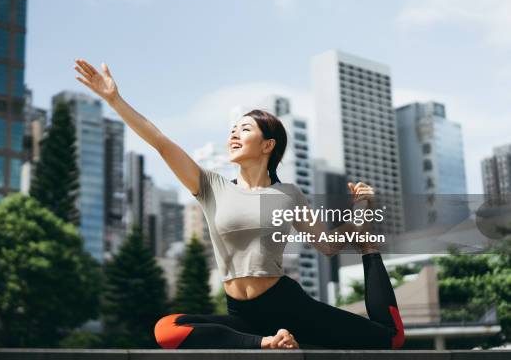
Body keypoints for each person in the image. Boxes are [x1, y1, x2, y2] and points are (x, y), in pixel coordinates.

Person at [74, 59, 405, 350]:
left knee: (390, 338)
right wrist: (114, 100)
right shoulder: (210, 186)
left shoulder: (288, 193)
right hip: (241, 313)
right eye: (232, 129)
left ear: (267, 145)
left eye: (244, 129)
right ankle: (266, 343)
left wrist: (362, 213)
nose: (233, 135)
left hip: (289, 306)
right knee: (167, 330)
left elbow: (328, 246)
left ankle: (369, 251)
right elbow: (161, 143)